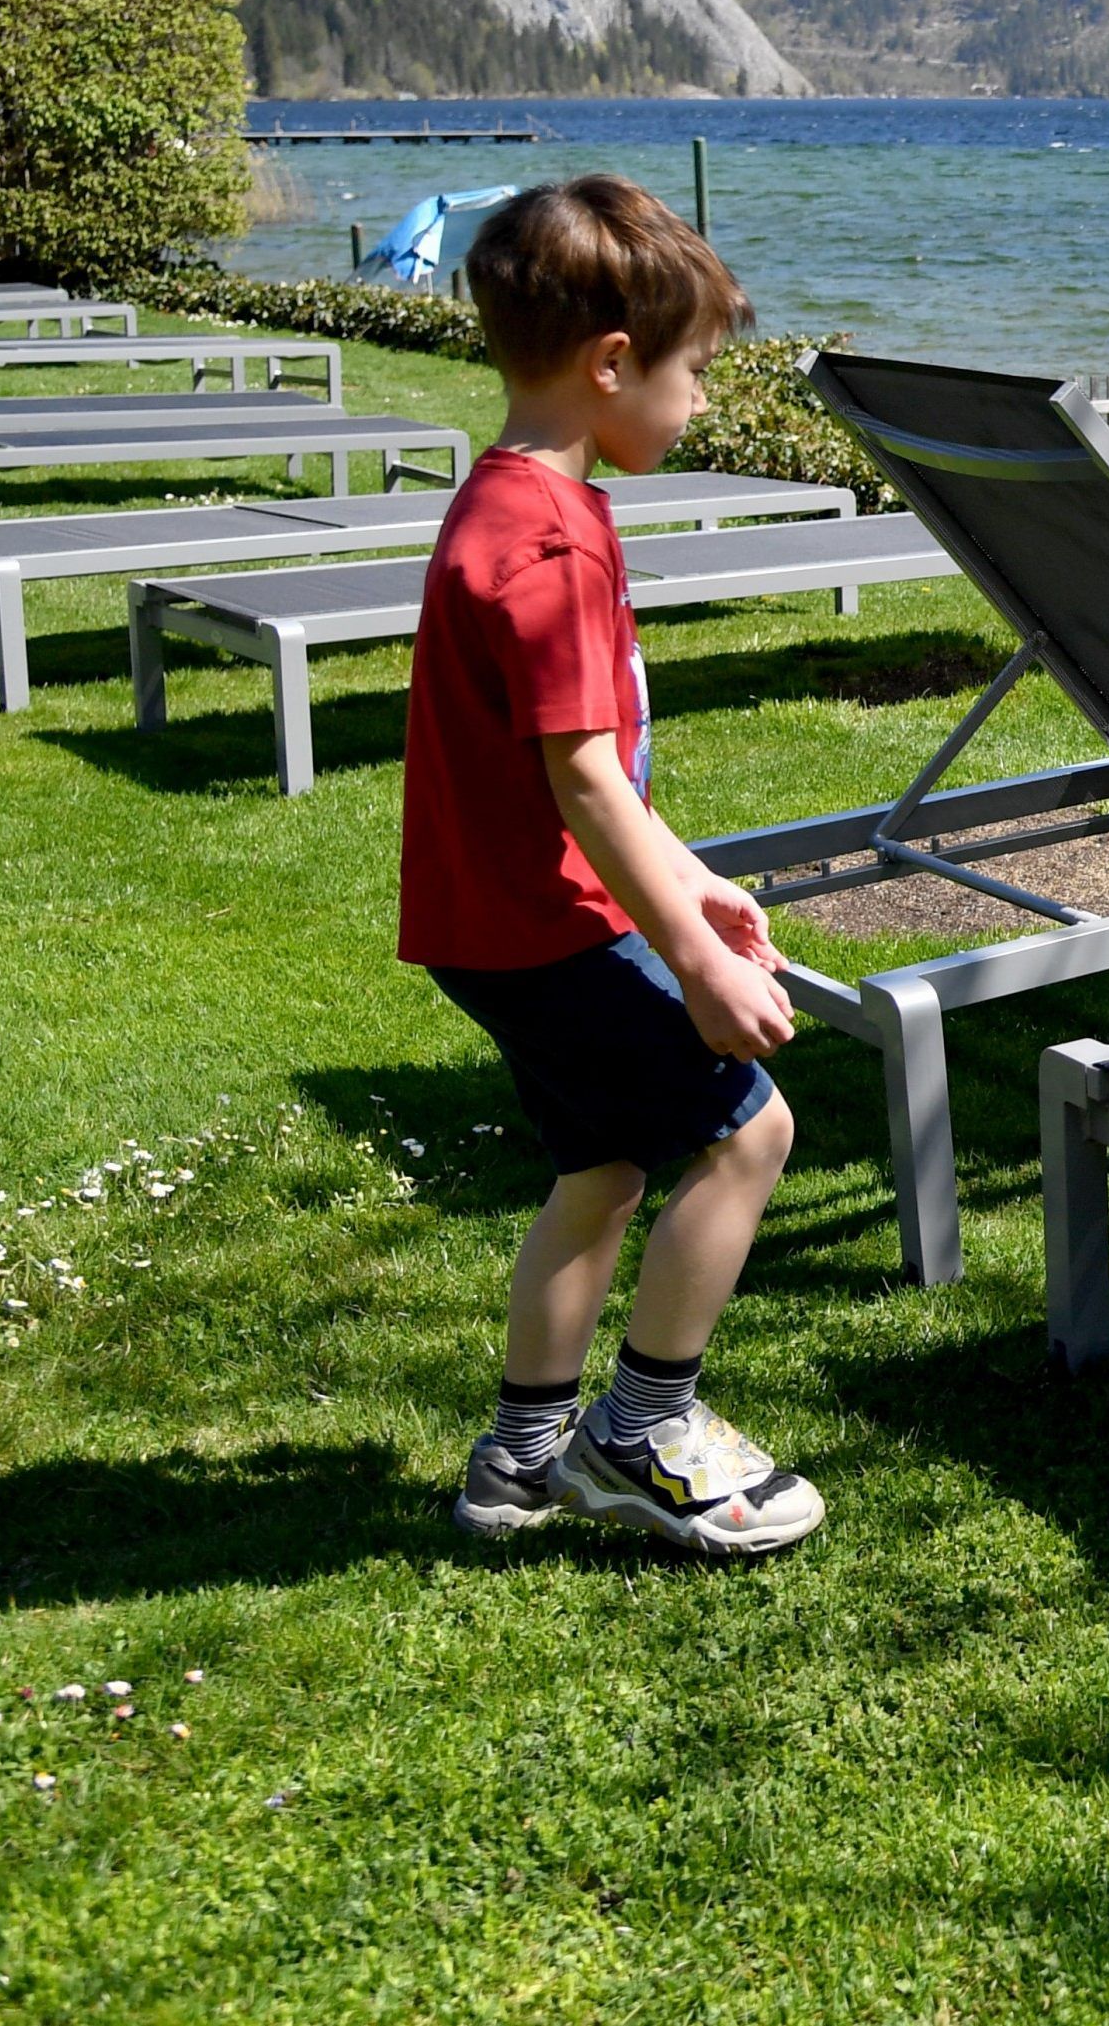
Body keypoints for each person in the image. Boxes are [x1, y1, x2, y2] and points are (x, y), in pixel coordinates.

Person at [406, 173, 823, 1555]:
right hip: (547, 925)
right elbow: (582, 782)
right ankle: (642, 1431)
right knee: (743, 1129)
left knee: (599, 1167)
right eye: (695, 372)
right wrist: (695, 959)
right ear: (610, 366)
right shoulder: (547, 542)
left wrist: (692, 879)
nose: (701, 401)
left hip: (496, 921)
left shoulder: (508, 504)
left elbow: (584, 776)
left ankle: (519, 1456)